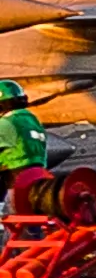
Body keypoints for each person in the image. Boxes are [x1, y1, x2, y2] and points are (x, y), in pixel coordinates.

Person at [0, 79, 48, 219]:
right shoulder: (32, 120)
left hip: (14, 183)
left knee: (13, 223)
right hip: (37, 182)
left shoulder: (6, 123)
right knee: (32, 225)